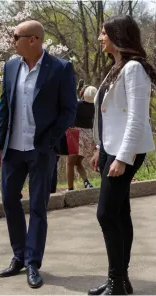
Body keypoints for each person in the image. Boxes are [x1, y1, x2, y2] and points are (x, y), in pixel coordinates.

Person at [0, 20, 77, 288]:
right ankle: (18, 255)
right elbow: (4, 108)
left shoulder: (60, 68)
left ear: (33, 40)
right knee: (9, 200)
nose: (12, 40)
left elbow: (68, 111)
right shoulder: (10, 67)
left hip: (41, 149)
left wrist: (49, 140)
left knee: (38, 207)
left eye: (15, 36)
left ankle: (32, 262)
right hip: (12, 149)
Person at [88, 15, 155, 295]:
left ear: (117, 36)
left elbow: (137, 120)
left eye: (104, 33)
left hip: (125, 151)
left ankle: (117, 280)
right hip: (109, 149)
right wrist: (98, 148)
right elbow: (104, 113)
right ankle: (120, 280)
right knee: (120, 212)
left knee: (106, 214)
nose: (100, 38)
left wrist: (121, 157)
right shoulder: (115, 67)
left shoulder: (134, 69)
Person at [66, 86, 97, 190]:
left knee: (70, 163)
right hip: (89, 135)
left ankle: (70, 188)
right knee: (77, 162)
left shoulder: (78, 104)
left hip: (76, 134)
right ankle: (86, 182)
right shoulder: (95, 106)